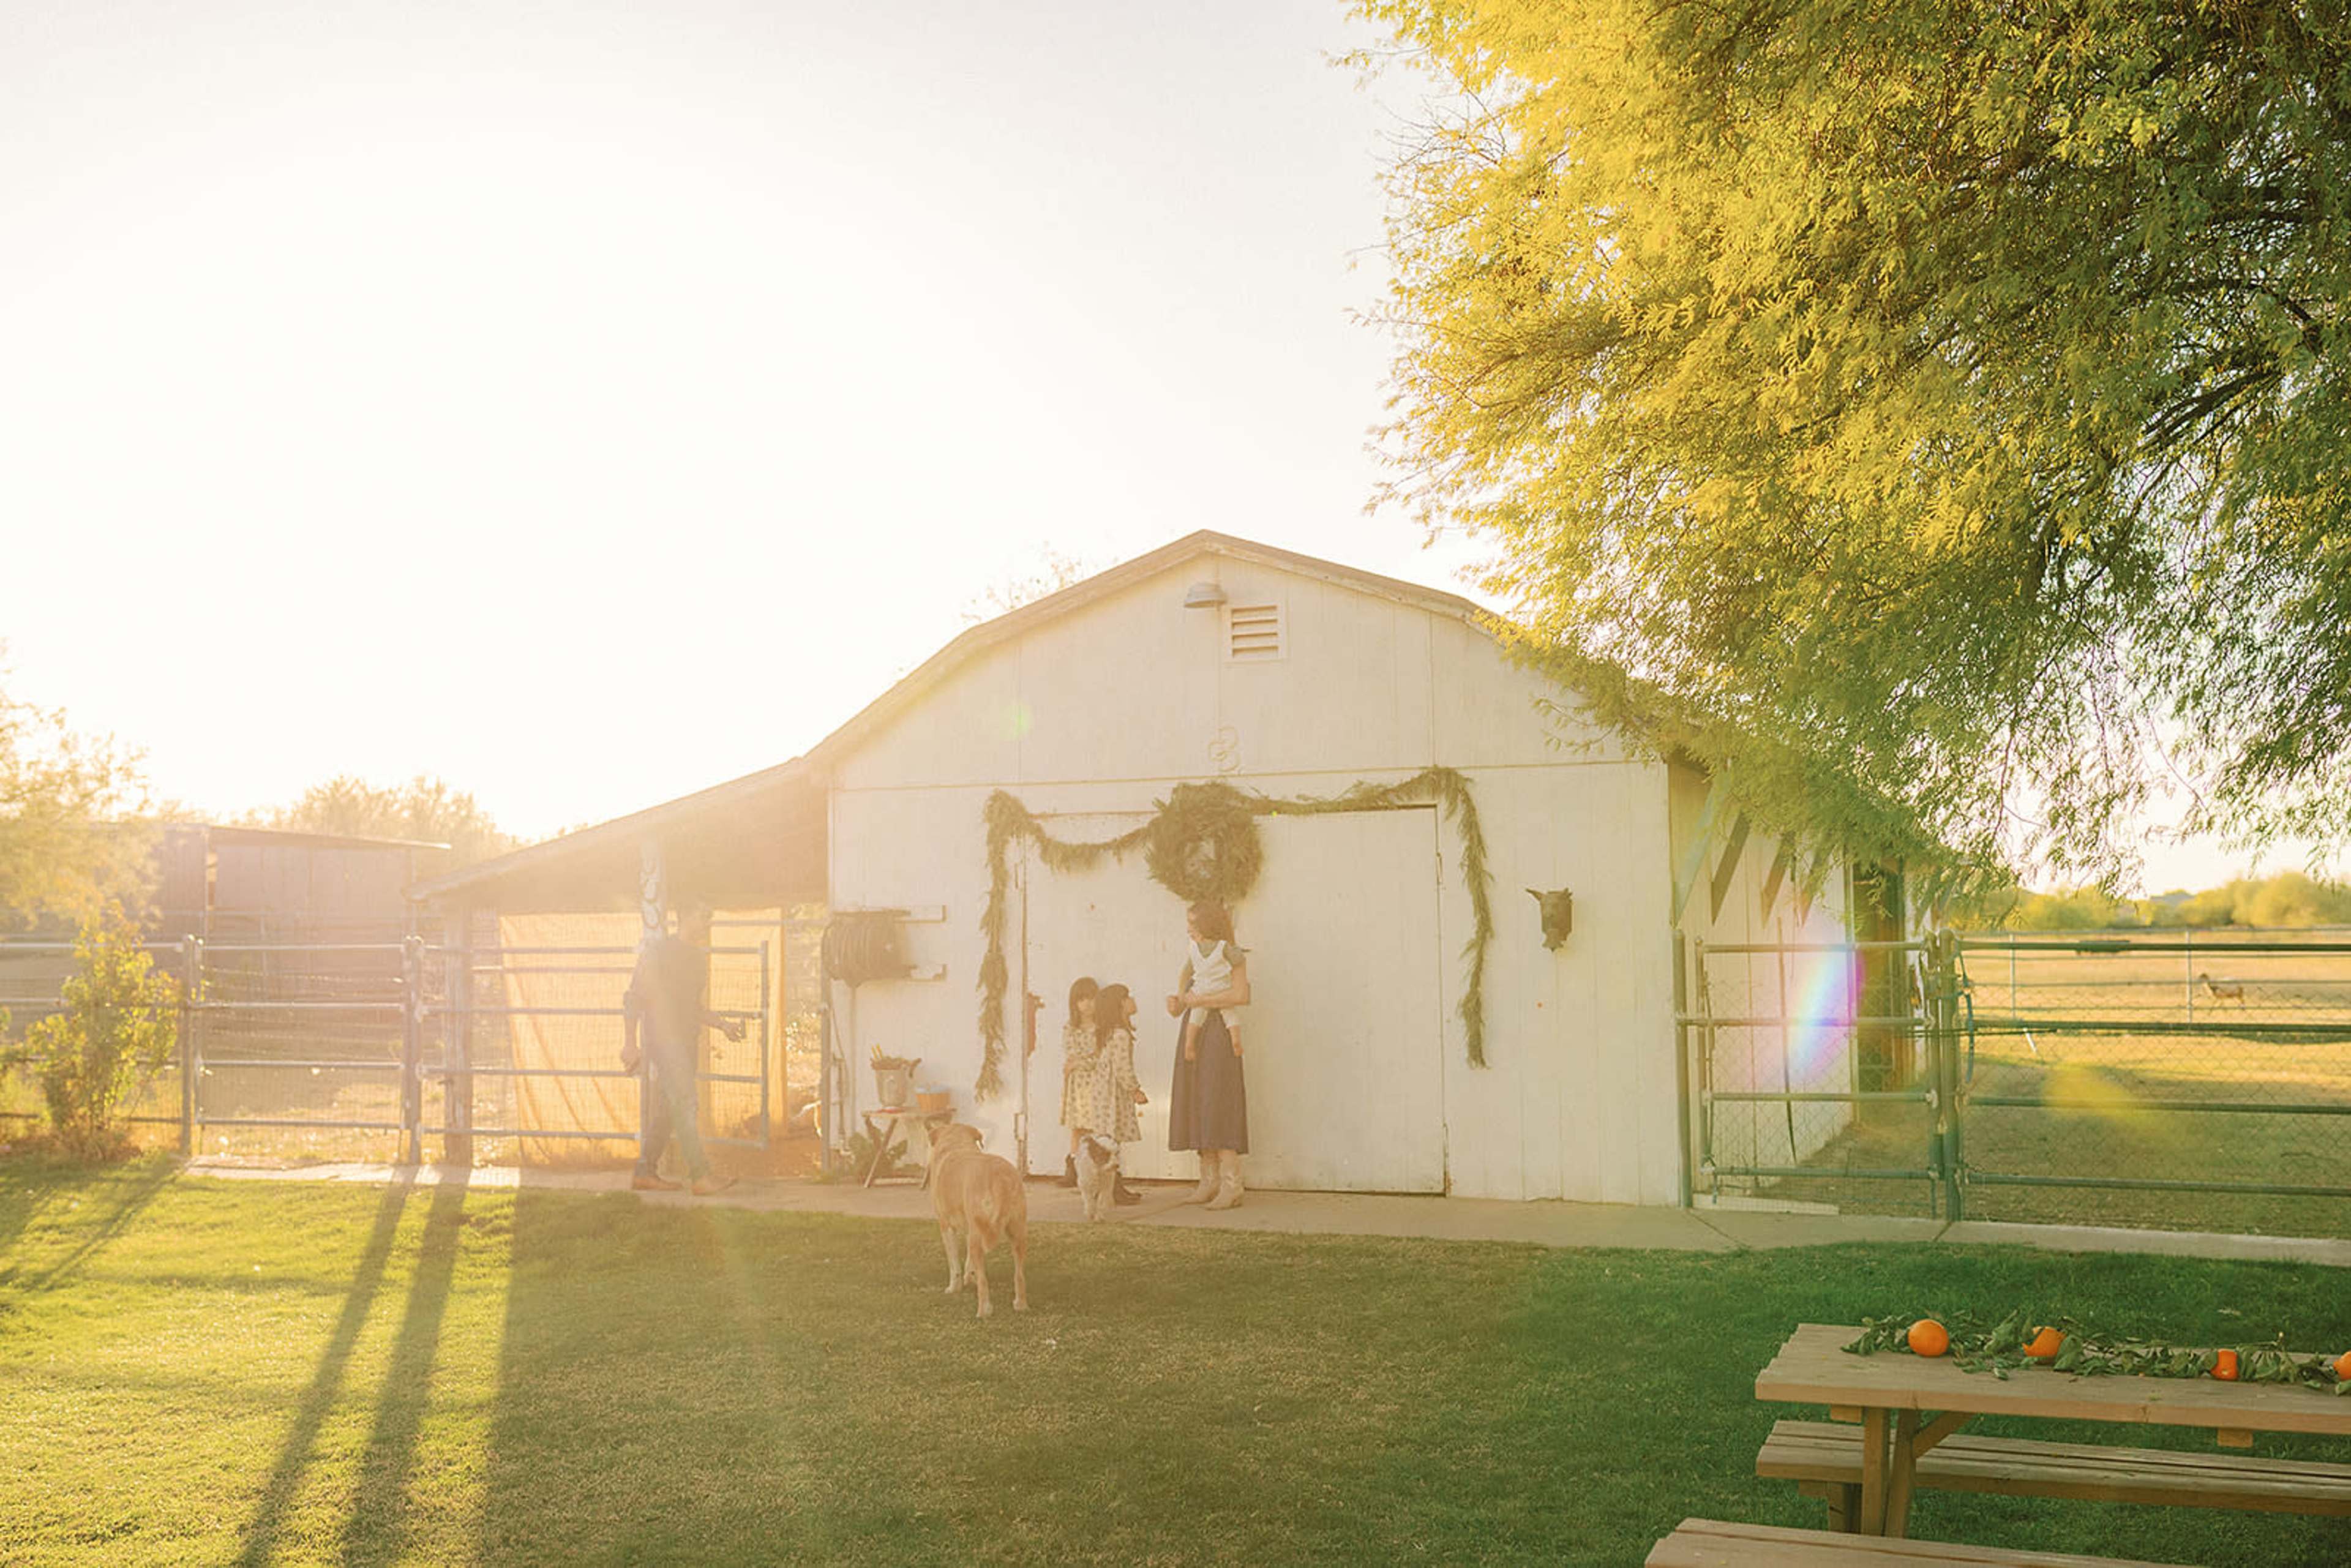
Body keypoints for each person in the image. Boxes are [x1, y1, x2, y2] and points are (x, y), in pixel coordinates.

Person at [622, 927, 746, 1196]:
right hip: (664, 1043)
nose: (706, 921)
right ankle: (700, 1176)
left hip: (686, 1042)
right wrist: (630, 1043)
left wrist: (723, 1025)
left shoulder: (696, 960)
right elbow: (634, 997)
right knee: (686, 1103)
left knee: (669, 1109)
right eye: (701, 915)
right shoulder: (659, 952)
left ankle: (644, 1172)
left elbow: (693, 1008)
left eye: (709, 917)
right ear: (685, 916)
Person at [1166, 900, 1249, 1210]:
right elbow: (1189, 995)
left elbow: (1241, 995)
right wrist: (1179, 1003)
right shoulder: (1196, 955)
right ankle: (1208, 1181)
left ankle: (1232, 1185)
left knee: (1219, 1102)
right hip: (1195, 1029)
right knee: (1198, 1102)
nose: (1190, 930)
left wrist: (1202, 999)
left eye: (1193, 925)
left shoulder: (1230, 955)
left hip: (1219, 1035)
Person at [1082, 983, 1147, 1205]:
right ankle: (1113, 1188)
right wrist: (1135, 1089)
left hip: (1103, 1092)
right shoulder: (1120, 1034)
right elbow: (1121, 1067)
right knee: (1112, 1140)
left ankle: (1111, 1187)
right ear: (1119, 1004)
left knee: (1108, 1138)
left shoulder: (1109, 1033)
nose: (1132, 1000)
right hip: (1113, 1095)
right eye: (1127, 996)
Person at [1056, 977, 1100, 1187]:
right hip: (1077, 1087)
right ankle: (1073, 1168)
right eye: (1082, 1000)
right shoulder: (1071, 1028)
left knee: (1099, 1126)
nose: (1087, 1004)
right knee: (1078, 1128)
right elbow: (1071, 1054)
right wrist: (1084, 1061)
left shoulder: (1102, 1028)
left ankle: (1099, 1168)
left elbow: (1101, 1057)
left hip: (1098, 1085)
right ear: (1074, 1003)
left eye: (1091, 999)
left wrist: (1083, 1062)